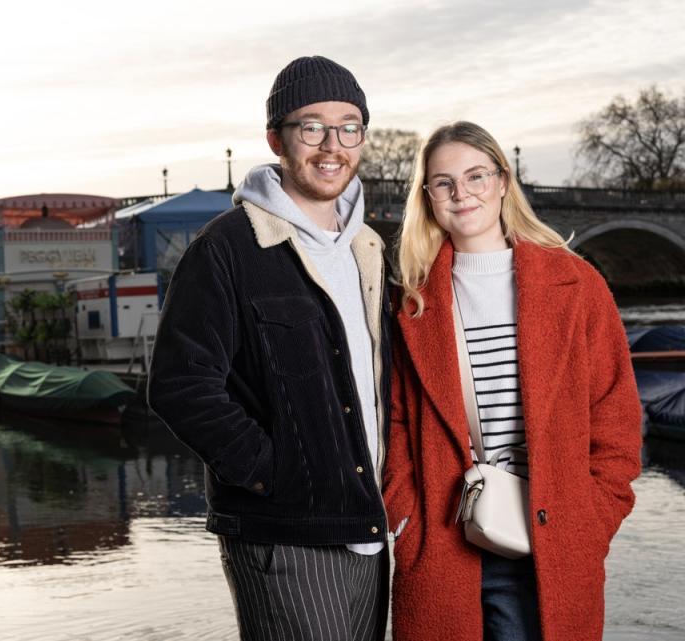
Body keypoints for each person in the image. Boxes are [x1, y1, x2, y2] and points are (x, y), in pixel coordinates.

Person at [148, 55, 392, 641]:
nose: (331, 145)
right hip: (285, 533)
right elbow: (180, 386)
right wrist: (274, 472)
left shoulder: (369, 247)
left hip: (370, 524)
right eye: (311, 126)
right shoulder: (227, 249)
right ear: (276, 138)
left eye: (348, 126)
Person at [383, 121, 642, 641]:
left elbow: (615, 419)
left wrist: (589, 525)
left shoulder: (576, 285)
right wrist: (406, 518)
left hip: (552, 544)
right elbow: (393, 423)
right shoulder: (411, 300)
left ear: (503, 181)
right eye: (444, 182)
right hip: (445, 544)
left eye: (476, 176)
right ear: (428, 197)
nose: (462, 193)